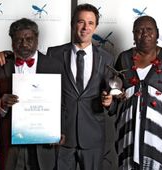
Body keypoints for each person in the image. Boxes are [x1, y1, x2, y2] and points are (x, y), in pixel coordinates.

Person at [46, 3, 114, 170]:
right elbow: (44, 91)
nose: (85, 27)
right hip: (61, 137)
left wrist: (109, 102)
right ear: (72, 24)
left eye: (90, 23)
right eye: (80, 22)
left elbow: (114, 98)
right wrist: (8, 54)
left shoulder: (107, 59)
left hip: (93, 138)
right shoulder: (53, 54)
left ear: (96, 27)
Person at [0, 18, 64, 170]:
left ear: (37, 40)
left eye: (29, 39)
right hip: (11, 145)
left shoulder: (54, 65)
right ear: (11, 42)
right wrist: (1, 103)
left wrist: (61, 130)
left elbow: (64, 103)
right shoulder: (1, 65)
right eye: (19, 40)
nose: (24, 44)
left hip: (44, 145)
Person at [114, 15, 162, 169]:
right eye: (139, 30)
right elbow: (115, 96)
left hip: (159, 138)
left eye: (149, 29)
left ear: (157, 32)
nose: (144, 34)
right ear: (133, 35)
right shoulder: (124, 59)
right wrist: (111, 99)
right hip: (128, 137)